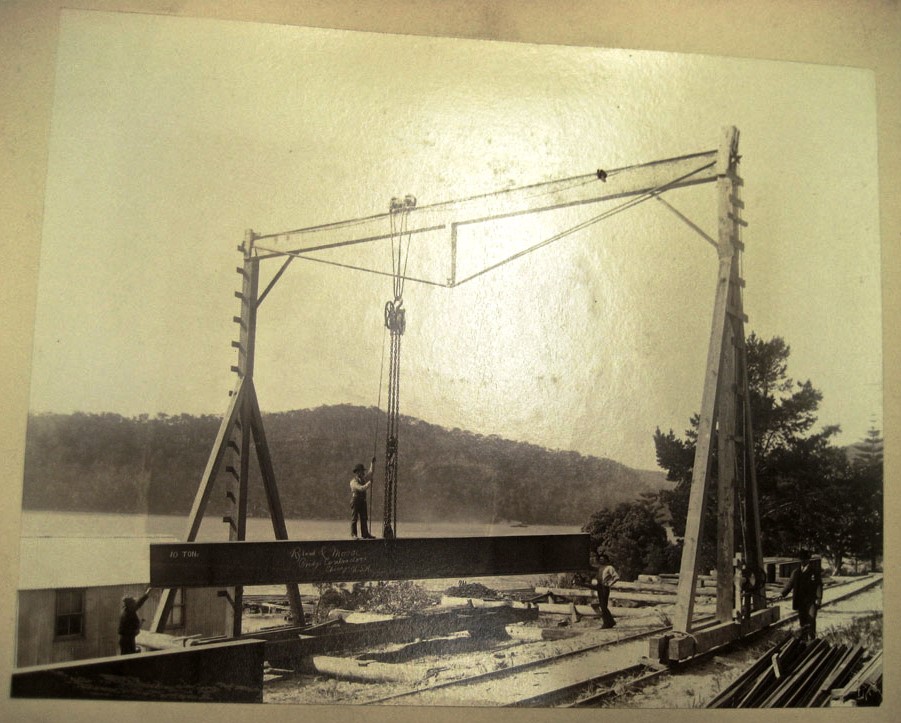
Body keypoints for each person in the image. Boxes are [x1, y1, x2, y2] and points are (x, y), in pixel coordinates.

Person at [780, 549, 823, 641]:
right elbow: (790, 584)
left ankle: (812, 639)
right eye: (801, 559)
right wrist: (782, 594)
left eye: (805, 559)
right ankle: (804, 640)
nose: (803, 561)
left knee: (811, 620)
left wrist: (819, 598)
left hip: (811, 601)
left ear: (808, 560)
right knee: (802, 621)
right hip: (800, 601)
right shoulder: (796, 572)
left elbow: (819, 585)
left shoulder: (814, 572)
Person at [118, 587, 152, 654]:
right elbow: (125, 630)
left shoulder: (128, 610)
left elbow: (138, 604)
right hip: (127, 641)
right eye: (133, 603)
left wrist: (147, 594)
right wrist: (136, 631)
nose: (135, 604)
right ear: (130, 605)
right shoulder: (127, 614)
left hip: (127, 640)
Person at [592, 549, 619, 629]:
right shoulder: (600, 568)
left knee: (603, 606)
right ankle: (610, 622)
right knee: (602, 605)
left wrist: (609, 584)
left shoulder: (610, 567)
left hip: (605, 587)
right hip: (599, 587)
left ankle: (608, 623)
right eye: (600, 559)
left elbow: (616, 577)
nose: (601, 560)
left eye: (603, 559)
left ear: (606, 560)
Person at [350, 456, 376, 539]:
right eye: (361, 471)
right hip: (356, 500)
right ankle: (354, 534)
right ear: (357, 472)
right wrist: (369, 483)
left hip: (362, 501)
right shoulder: (353, 482)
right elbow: (361, 488)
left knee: (364, 517)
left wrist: (373, 463)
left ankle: (365, 534)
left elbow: (371, 473)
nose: (363, 473)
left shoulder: (363, 479)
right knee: (354, 518)